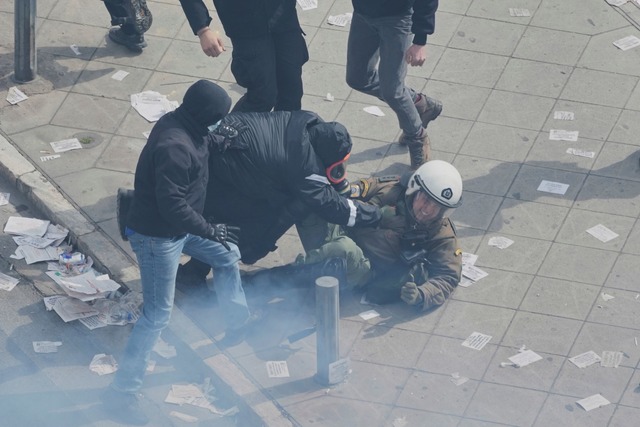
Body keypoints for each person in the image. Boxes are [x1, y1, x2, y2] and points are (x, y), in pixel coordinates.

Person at [103, 80, 251, 426]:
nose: (219, 124)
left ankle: (238, 324)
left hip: (180, 230)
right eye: (218, 119)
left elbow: (202, 138)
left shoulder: (183, 122)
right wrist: (210, 229)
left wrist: (219, 139)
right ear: (203, 115)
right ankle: (121, 392)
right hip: (158, 239)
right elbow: (172, 207)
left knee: (227, 256)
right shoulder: (174, 147)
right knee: (156, 316)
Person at [177, 110, 383, 284]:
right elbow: (331, 206)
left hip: (219, 156)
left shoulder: (305, 121)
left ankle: (195, 271)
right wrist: (376, 215)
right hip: (223, 178)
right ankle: (194, 275)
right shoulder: (304, 165)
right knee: (240, 230)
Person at [251, 160, 463, 311]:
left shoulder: (441, 234)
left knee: (343, 249)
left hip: (363, 270)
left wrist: (423, 294)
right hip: (338, 234)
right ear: (414, 189)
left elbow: (449, 276)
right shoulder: (389, 189)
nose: (427, 210)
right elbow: (349, 192)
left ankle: (277, 279)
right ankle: (254, 246)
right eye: (425, 200)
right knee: (307, 201)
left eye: (436, 208)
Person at [346, 0, 442, 170]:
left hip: (397, 19)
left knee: (393, 91)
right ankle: (418, 103)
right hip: (363, 13)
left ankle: (417, 137)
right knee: (357, 78)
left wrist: (420, 40)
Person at [179, 0, 308, 112]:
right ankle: (226, 137)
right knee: (263, 95)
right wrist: (203, 29)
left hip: (283, 15)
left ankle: (287, 137)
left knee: (291, 90)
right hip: (245, 23)